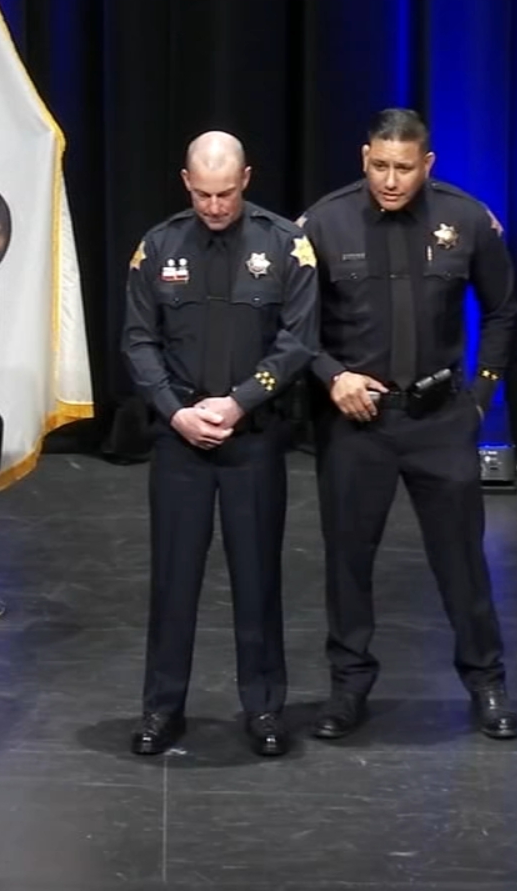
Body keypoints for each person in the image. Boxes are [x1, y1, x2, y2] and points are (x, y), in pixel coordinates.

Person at [300, 108, 517, 740]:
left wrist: (479, 397)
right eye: (378, 166)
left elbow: (503, 310)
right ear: (363, 157)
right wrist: (331, 375)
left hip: (439, 418)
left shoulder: (468, 218)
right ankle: (347, 689)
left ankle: (487, 684)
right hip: (355, 422)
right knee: (347, 562)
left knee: (462, 562)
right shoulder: (322, 222)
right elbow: (292, 326)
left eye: (403, 168)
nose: (390, 181)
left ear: (427, 164)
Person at [120, 131, 318, 757]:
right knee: (173, 580)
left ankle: (262, 708)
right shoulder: (157, 246)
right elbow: (137, 341)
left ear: (247, 179)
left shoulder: (287, 244)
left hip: (252, 439)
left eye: (225, 193)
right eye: (203, 194)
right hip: (181, 441)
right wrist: (177, 413)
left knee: (257, 578)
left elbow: (297, 340)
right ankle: (161, 708)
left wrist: (238, 402)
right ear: (186, 182)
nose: (214, 206)